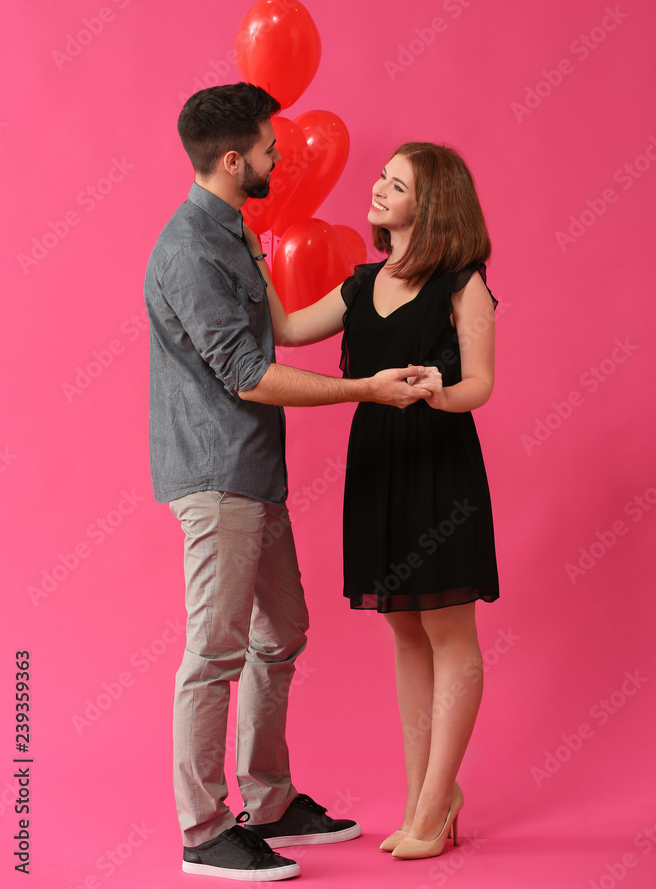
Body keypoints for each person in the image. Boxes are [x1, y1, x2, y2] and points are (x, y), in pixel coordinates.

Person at [143, 83, 432, 882]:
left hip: (254, 474)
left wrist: (378, 297)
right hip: (217, 476)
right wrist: (364, 389)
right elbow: (248, 375)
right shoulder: (189, 253)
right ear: (234, 161)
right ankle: (202, 832)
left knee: (282, 632)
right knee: (214, 653)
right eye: (271, 149)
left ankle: (267, 801)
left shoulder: (235, 225)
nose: (282, 157)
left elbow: (280, 323)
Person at [252, 140, 499, 863]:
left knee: (450, 634)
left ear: (431, 204)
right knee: (405, 632)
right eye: (382, 177)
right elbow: (289, 329)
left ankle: (429, 805)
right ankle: (430, 793)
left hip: (437, 467)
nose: (378, 187)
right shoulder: (361, 285)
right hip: (378, 468)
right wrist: (255, 256)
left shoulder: (463, 284)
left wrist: (437, 392)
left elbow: (481, 382)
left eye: (396, 182)